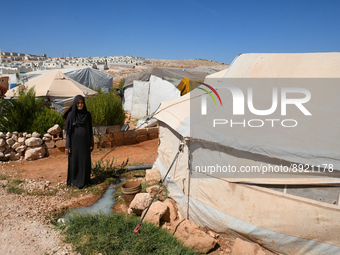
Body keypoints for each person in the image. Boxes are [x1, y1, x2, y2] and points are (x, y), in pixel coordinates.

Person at [65, 95, 94, 188]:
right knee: (75, 162)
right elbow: (68, 132)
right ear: (75, 103)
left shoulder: (87, 115)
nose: (80, 105)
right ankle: (75, 181)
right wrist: (67, 146)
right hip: (74, 144)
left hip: (85, 144)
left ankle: (85, 181)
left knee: (85, 162)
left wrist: (91, 143)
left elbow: (90, 130)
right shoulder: (71, 115)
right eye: (78, 103)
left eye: (81, 103)